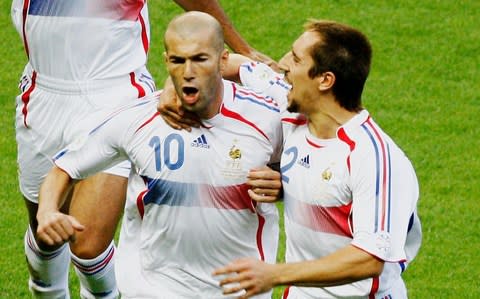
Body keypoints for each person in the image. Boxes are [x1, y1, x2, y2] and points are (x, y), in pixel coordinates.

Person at [10, 0, 277, 298]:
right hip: (43, 99)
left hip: (114, 92)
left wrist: (241, 50)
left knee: (88, 245)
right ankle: (47, 291)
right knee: (46, 234)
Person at [210, 20, 422, 298]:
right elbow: (220, 63)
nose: (283, 64)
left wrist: (275, 274)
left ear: (325, 80)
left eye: (296, 59)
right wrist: (168, 92)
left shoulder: (375, 158)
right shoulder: (292, 106)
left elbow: (369, 259)